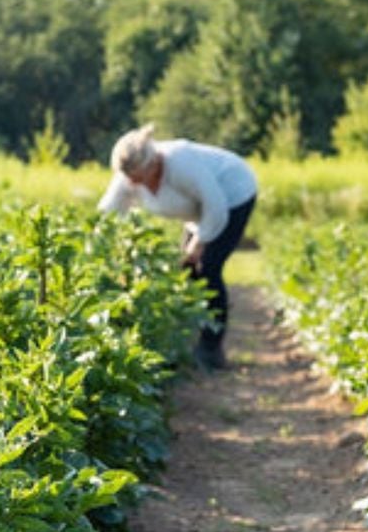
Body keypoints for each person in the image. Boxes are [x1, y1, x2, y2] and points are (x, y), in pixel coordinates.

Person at [99, 125, 259, 371]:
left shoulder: (181, 163)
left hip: (233, 196)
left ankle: (211, 350)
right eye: (130, 179)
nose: (134, 184)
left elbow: (215, 206)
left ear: (152, 165)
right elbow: (108, 214)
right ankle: (187, 339)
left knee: (207, 268)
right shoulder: (129, 174)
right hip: (198, 212)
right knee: (184, 271)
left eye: (139, 178)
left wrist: (199, 243)